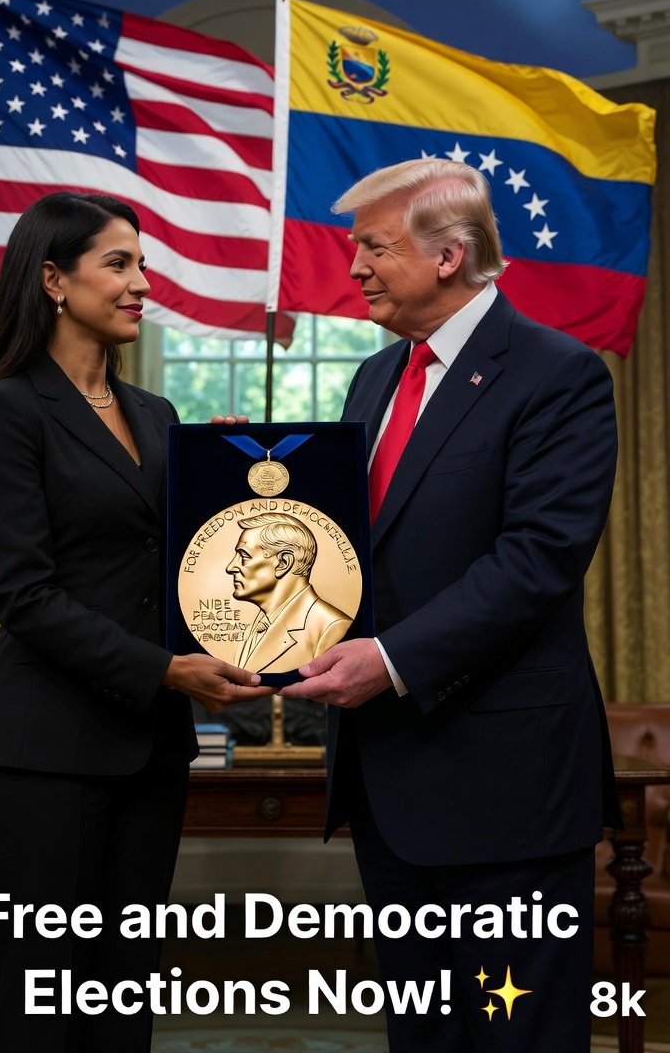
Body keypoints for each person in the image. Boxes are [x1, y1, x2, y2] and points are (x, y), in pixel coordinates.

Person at [282, 159, 620, 1051]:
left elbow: (538, 559)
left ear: (449, 255)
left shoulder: (558, 374)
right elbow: (360, 552)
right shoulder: (373, 379)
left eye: (372, 246)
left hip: (506, 787)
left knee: (518, 1036)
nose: (352, 267)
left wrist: (388, 659)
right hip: (390, 779)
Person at [0, 191, 269, 1052]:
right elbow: (25, 597)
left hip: (149, 748)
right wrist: (168, 671)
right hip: (43, 752)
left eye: (143, 264)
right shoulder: (4, 412)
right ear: (53, 280)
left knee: (122, 1001)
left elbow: (182, 570)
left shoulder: (160, 418)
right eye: (119, 264)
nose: (141, 284)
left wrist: (232, 488)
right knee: (47, 1001)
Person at [225, 513, 352, 672]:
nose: (230, 567)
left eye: (244, 556)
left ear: (284, 563)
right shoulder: (253, 628)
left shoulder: (331, 628)